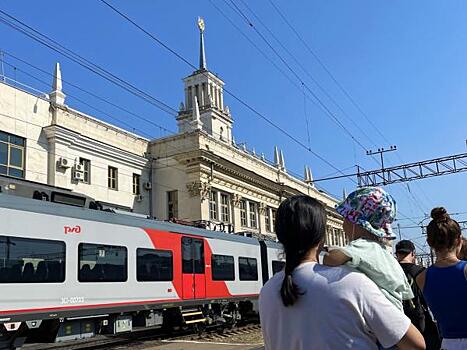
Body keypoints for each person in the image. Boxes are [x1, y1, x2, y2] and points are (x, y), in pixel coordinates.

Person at [259, 195, 425, 350]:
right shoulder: (350, 282)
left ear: (280, 236)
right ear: (322, 236)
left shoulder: (267, 291)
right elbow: (417, 344)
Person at [323, 187, 413, 312]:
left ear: (354, 222)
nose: (343, 224)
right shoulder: (384, 254)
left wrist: (325, 253)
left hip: (378, 316)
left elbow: (333, 258)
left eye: (345, 219)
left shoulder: (364, 245)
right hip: (394, 312)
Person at [416, 207, 467, 350]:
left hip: (447, 344)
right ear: (459, 240)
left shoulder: (422, 277)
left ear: (429, 242)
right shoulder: (465, 270)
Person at [396, 240, 441, 350]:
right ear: (413, 253)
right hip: (422, 323)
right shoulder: (421, 271)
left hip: (398, 324)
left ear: (397, 254)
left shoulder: (390, 272)